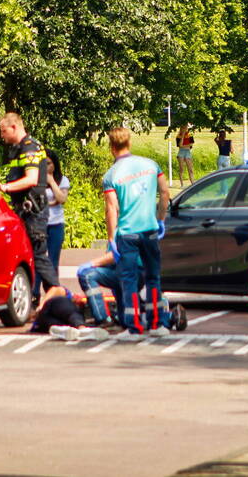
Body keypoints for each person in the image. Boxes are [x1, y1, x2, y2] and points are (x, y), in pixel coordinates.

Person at [103, 126, 170, 338]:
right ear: (129, 143)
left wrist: (111, 237)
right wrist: (160, 219)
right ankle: (158, 323)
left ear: (112, 147)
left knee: (129, 280)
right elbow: (165, 192)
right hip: (149, 229)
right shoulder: (151, 165)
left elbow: (112, 208)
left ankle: (134, 327)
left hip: (127, 233)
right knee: (153, 277)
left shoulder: (111, 175)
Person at [0, 112, 60, 298]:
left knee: (37, 254)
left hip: (33, 211)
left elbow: (31, 179)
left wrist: (5, 188)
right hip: (26, 210)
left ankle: (56, 292)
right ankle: (45, 297)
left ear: (14, 127)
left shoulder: (29, 147)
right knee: (31, 255)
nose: (2, 135)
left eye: (3, 130)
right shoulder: (20, 148)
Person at [77, 247, 187, 331]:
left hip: (129, 272)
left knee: (87, 275)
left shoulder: (123, 224)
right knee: (126, 320)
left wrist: (92, 264)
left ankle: (103, 320)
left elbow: (116, 254)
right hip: (131, 272)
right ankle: (170, 316)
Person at [36, 149, 71, 299]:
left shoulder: (63, 180)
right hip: (39, 224)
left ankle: (52, 294)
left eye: (48, 163)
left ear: (55, 164)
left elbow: (61, 199)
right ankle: (34, 294)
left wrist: (50, 181)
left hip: (56, 224)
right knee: (37, 258)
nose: (46, 166)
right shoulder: (35, 180)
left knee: (53, 261)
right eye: (42, 163)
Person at [30, 286, 108, 342]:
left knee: (64, 326)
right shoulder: (68, 296)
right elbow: (55, 289)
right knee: (70, 312)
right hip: (51, 307)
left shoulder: (80, 314)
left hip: (46, 323)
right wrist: (41, 305)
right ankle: (82, 329)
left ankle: (63, 331)